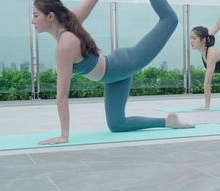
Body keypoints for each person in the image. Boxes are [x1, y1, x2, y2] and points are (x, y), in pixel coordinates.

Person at [32, 0, 194, 145]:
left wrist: (63, 135)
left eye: (35, 15)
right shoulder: (69, 25)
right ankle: (168, 122)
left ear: (51, 16)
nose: (32, 21)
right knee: (117, 125)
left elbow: (62, 95)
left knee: (170, 20)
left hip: (125, 64)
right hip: (113, 78)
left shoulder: (64, 45)